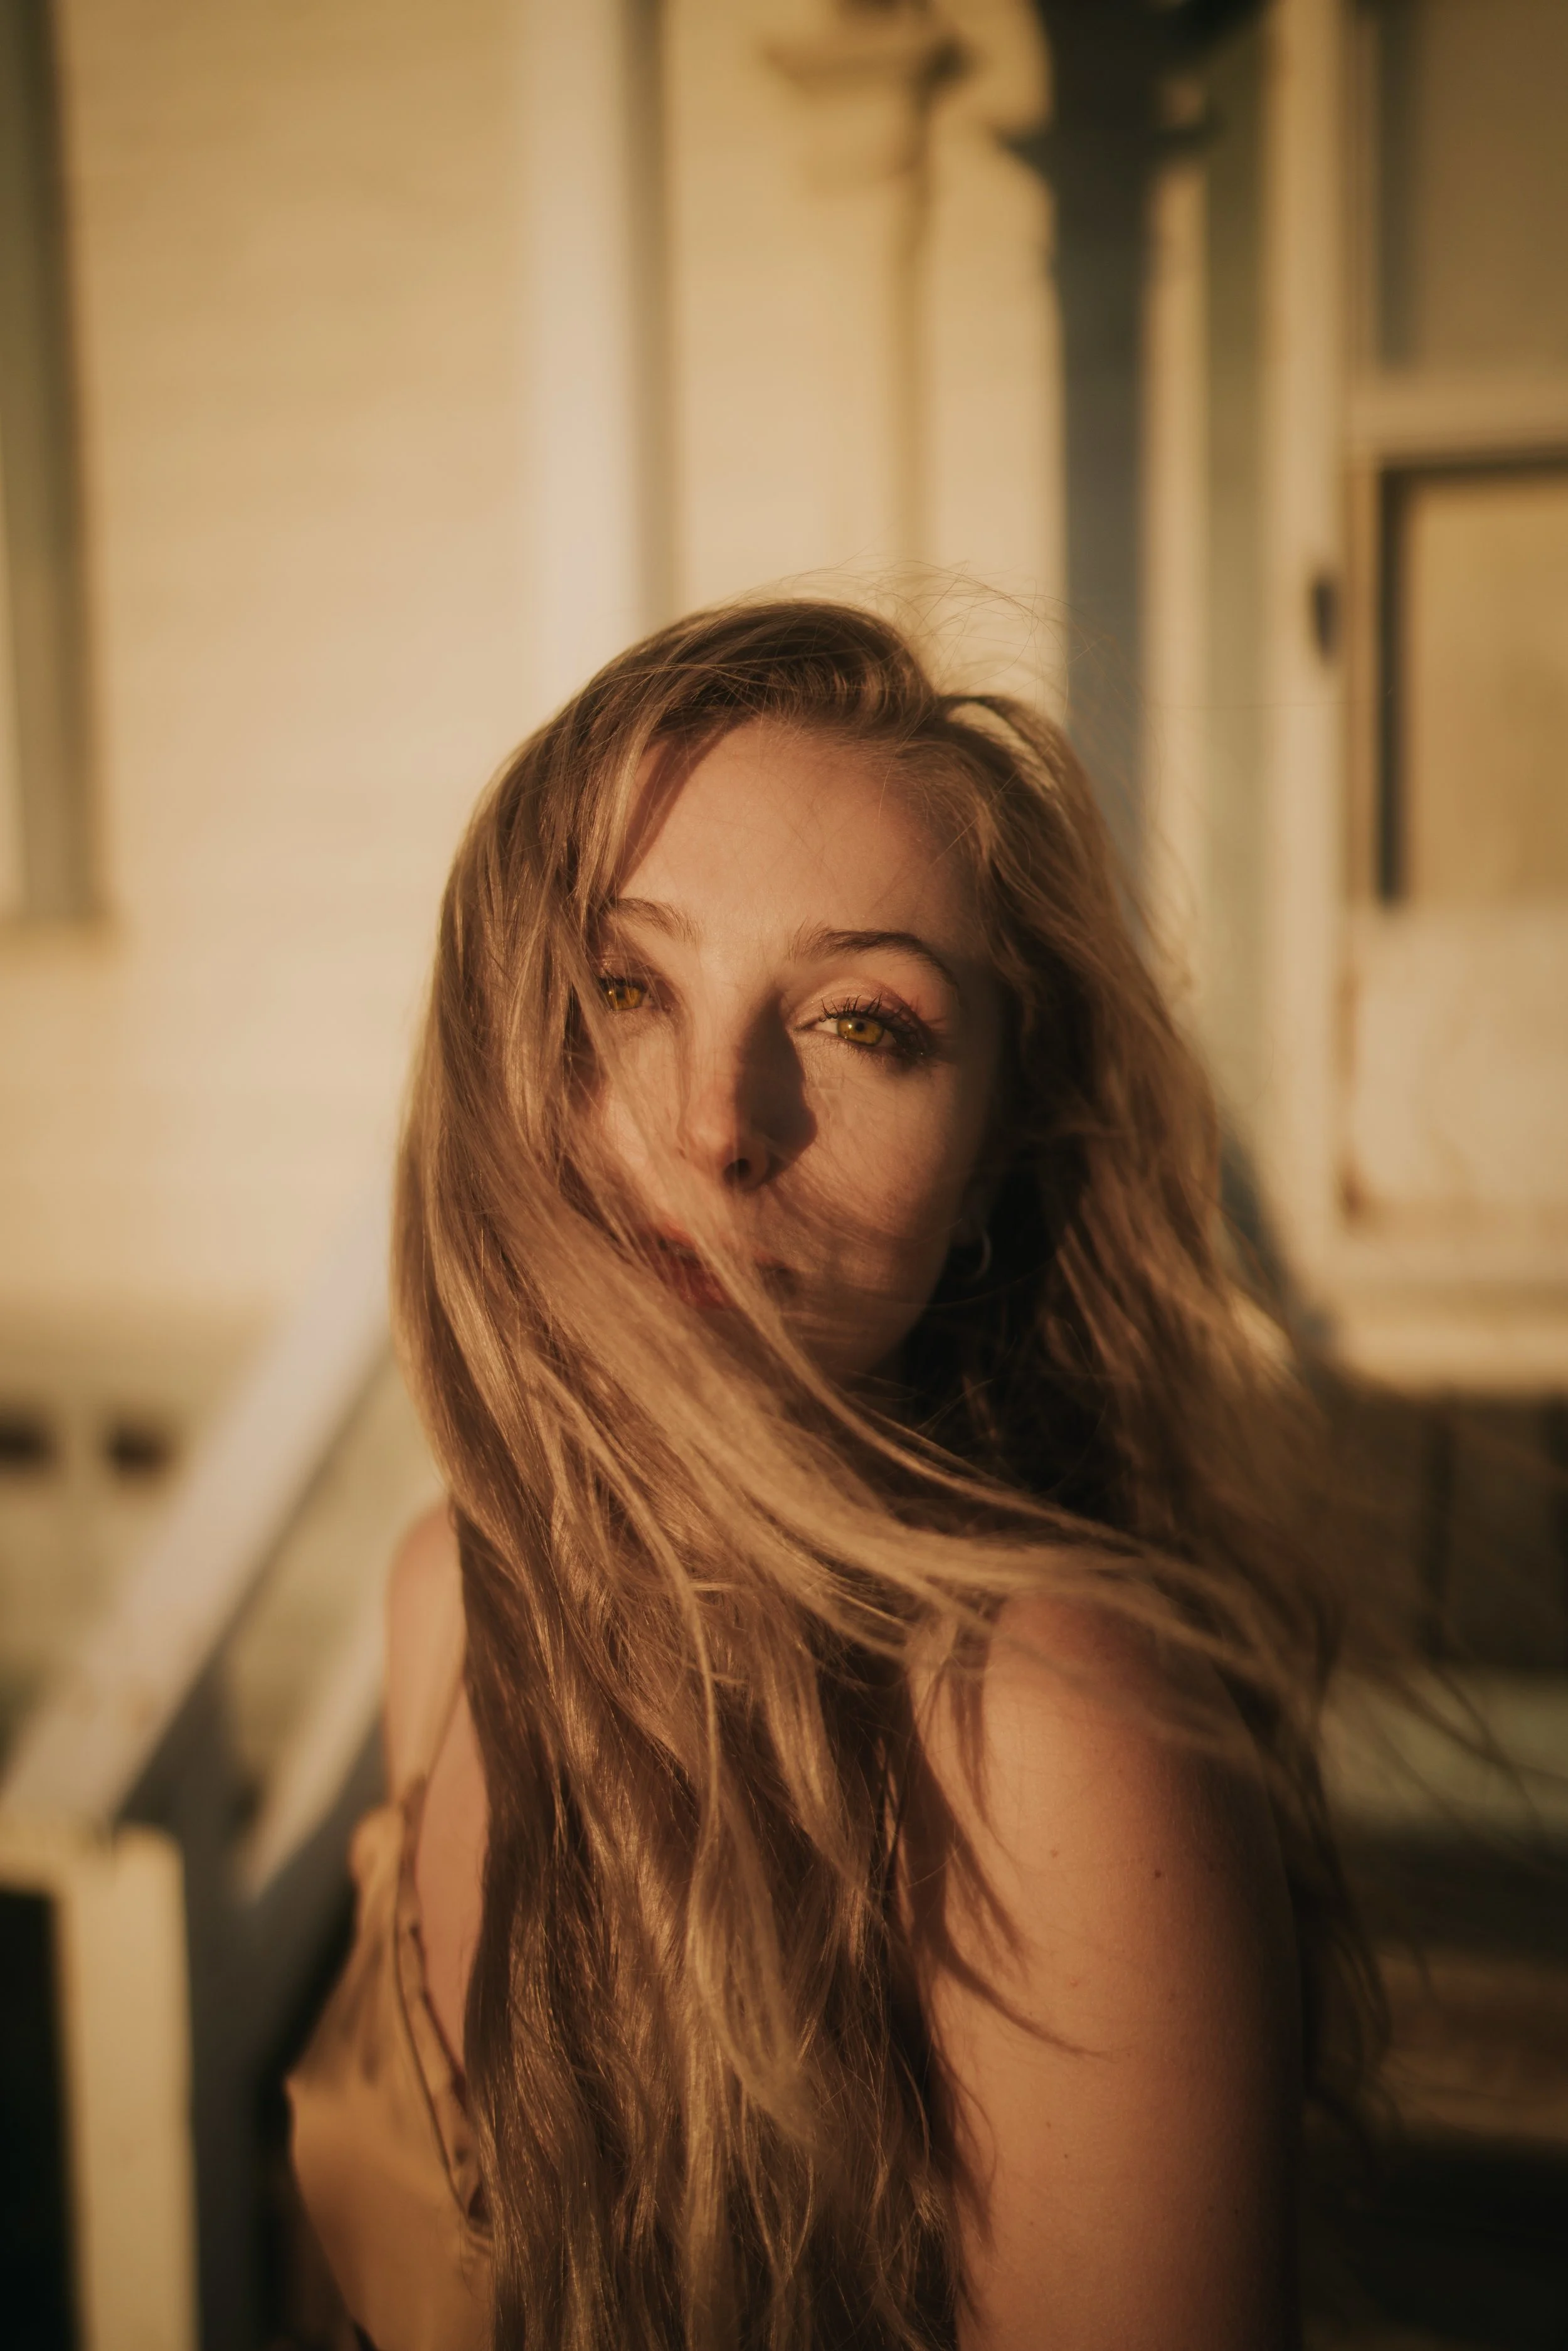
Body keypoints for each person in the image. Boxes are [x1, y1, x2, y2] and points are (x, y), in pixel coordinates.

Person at [289, 598, 1369, 2351]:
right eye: (623, 986)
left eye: (864, 1023)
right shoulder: (448, 1593)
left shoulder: (1042, 1737)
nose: (718, 1119)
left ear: (993, 1159)